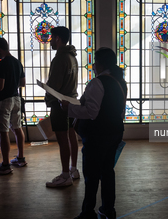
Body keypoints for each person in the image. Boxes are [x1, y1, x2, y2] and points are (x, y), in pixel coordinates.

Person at [61, 47, 127, 219]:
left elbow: (91, 112)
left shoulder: (97, 83)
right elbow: (120, 111)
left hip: (97, 136)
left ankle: (87, 213)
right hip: (115, 132)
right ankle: (108, 210)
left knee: (91, 175)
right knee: (107, 172)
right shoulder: (120, 81)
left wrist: (70, 108)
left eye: (95, 62)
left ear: (99, 63)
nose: (93, 65)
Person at [44, 26, 80, 187]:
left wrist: (47, 94)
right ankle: (73, 169)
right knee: (71, 135)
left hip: (60, 103)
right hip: (71, 100)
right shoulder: (72, 56)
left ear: (58, 38)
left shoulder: (60, 58)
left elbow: (55, 85)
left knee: (62, 138)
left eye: (52, 37)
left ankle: (65, 175)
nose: (50, 40)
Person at [0, 37, 27, 175]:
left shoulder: (1, 64)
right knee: (17, 128)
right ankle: (20, 158)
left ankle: (5, 165)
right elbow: (22, 83)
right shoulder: (17, 63)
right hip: (16, 99)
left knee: (3, 131)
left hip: (3, 101)